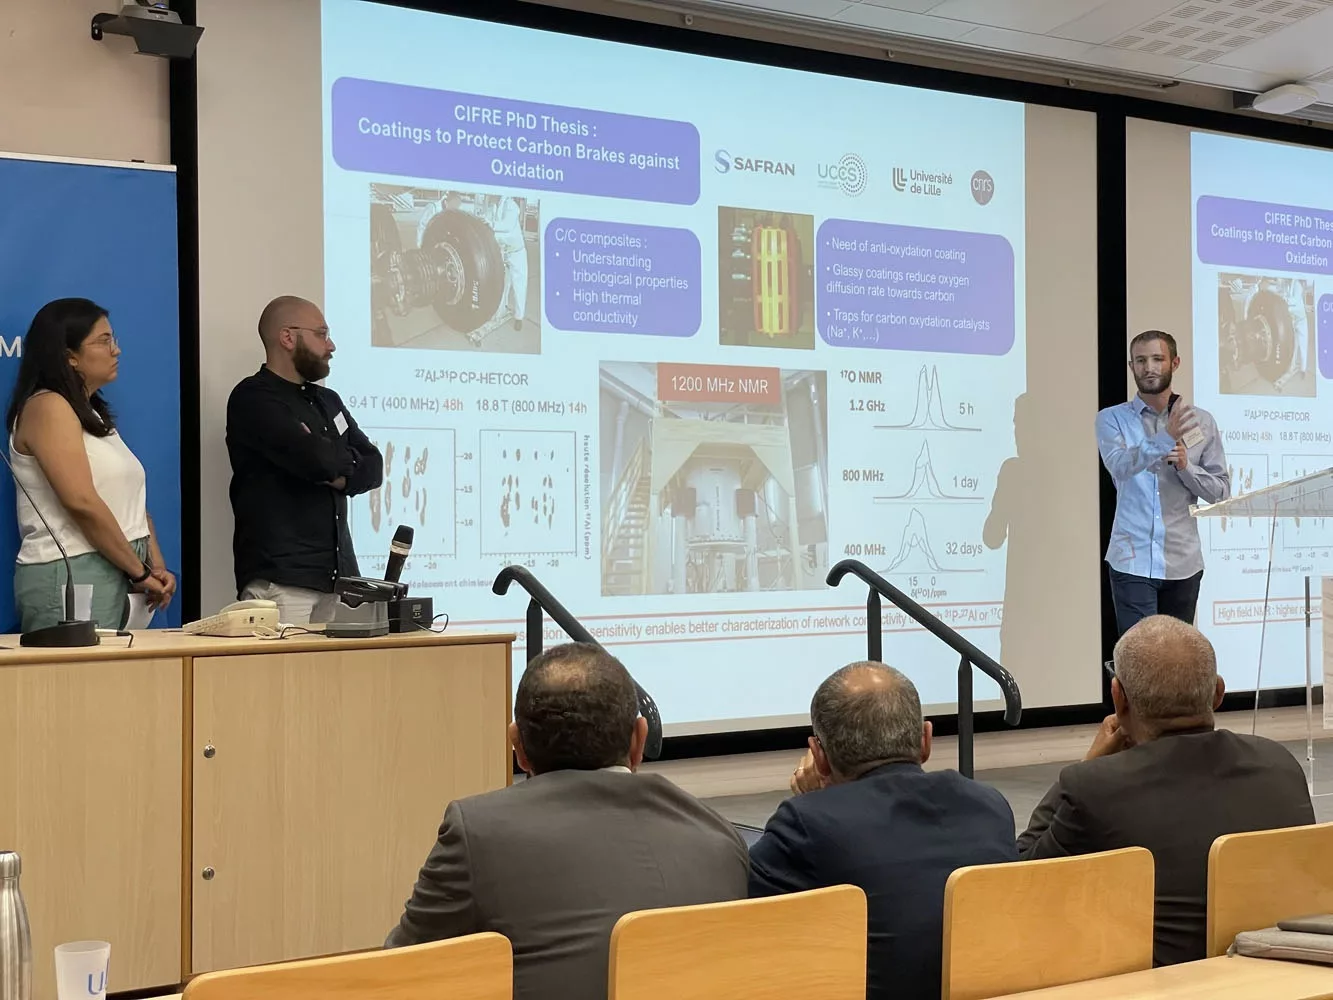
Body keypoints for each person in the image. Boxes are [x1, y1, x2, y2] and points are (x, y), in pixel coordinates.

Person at [386, 643, 747, 1000]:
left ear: (519, 748)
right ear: (640, 739)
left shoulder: (478, 831)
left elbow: (394, 973)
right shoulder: (719, 835)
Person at [1018, 615, 1314, 966]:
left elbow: (1019, 878)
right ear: (1218, 692)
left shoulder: (1093, 788)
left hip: (1157, 985)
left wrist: (1086, 765)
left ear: (1118, 698)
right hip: (1280, 979)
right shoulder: (1279, 764)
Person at [748, 662, 1017, 1000]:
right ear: (925, 740)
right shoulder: (990, 805)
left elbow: (741, 917)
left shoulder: (806, 823)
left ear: (819, 757)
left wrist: (818, 803)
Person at [5, 298, 175, 630]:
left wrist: (154, 564)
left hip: (123, 569)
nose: (117, 350)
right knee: (77, 683)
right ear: (68, 356)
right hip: (72, 571)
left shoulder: (93, 414)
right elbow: (81, 501)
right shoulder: (47, 406)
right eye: (104, 340)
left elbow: (133, 506)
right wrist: (138, 571)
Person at [226, 296, 382, 624]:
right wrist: (330, 461)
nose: (332, 346)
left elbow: (374, 465)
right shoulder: (253, 398)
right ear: (287, 337)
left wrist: (333, 463)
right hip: (283, 580)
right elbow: (316, 461)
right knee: (283, 677)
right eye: (321, 334)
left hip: (338, 581)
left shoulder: (328, 400)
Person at [1096, 331, 1229, 636]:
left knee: (1177, 666)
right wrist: (1165, 437)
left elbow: (1220, 491)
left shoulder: (1201, 422)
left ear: (1175, 363)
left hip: (1183, 562)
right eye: (1140, 361)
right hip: (1132, 561)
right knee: (1140, 664)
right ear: (1131, 367)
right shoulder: (1112, 419)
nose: (1149, 367)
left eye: (1157, 359)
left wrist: (1185, 467)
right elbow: (1119, 465)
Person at [493, 195, 528, 331]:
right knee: (503, 283)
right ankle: (502, 309)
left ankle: (519, 317)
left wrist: (491, 224)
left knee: (519, 285)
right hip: (504, 251)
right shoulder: (496, 206)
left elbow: (506, 226)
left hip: (517, 252)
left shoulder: (511, 205)